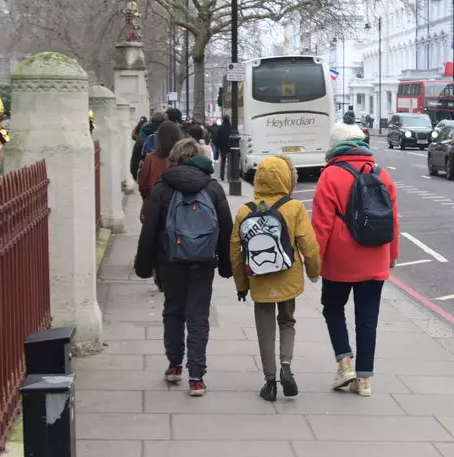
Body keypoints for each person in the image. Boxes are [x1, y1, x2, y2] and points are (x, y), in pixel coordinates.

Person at [134, 137, 232, 396]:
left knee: (173, 311)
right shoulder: (212, 188)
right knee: (198, 316)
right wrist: (226, 265)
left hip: (171, 260)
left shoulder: (163, 189)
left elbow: (150, 230)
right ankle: (197, 377)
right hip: (203, 261)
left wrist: (145, 265)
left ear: (174, 159)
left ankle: (175, 365)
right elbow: (226, 229)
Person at [311, 123, 399, 396]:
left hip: (340, 260)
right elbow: (393, 221)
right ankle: (364, 381)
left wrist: (315, 261)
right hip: (375, 258)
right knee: (368, 318)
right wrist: (392, 256)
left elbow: (321, 225)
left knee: (332, 308)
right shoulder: (382, 174)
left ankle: (344, 363)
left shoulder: (330, 175)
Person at [231, 155, 321, 402]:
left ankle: (270, 382)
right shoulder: (294, 208)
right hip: (287, 276)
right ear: (286, 178)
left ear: (258, 179)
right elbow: (309, 246)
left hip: (258, 279)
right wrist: (313, 272)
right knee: (287, 321)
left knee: (264, 328)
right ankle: (286, 366)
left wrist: (241, 285)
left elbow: (236, 253)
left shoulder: (244, 211)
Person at [137, 119, 183, 220]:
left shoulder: (150, 158)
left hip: (154, 206)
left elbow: (143, 185)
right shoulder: (181, 158)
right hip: (177, 207)